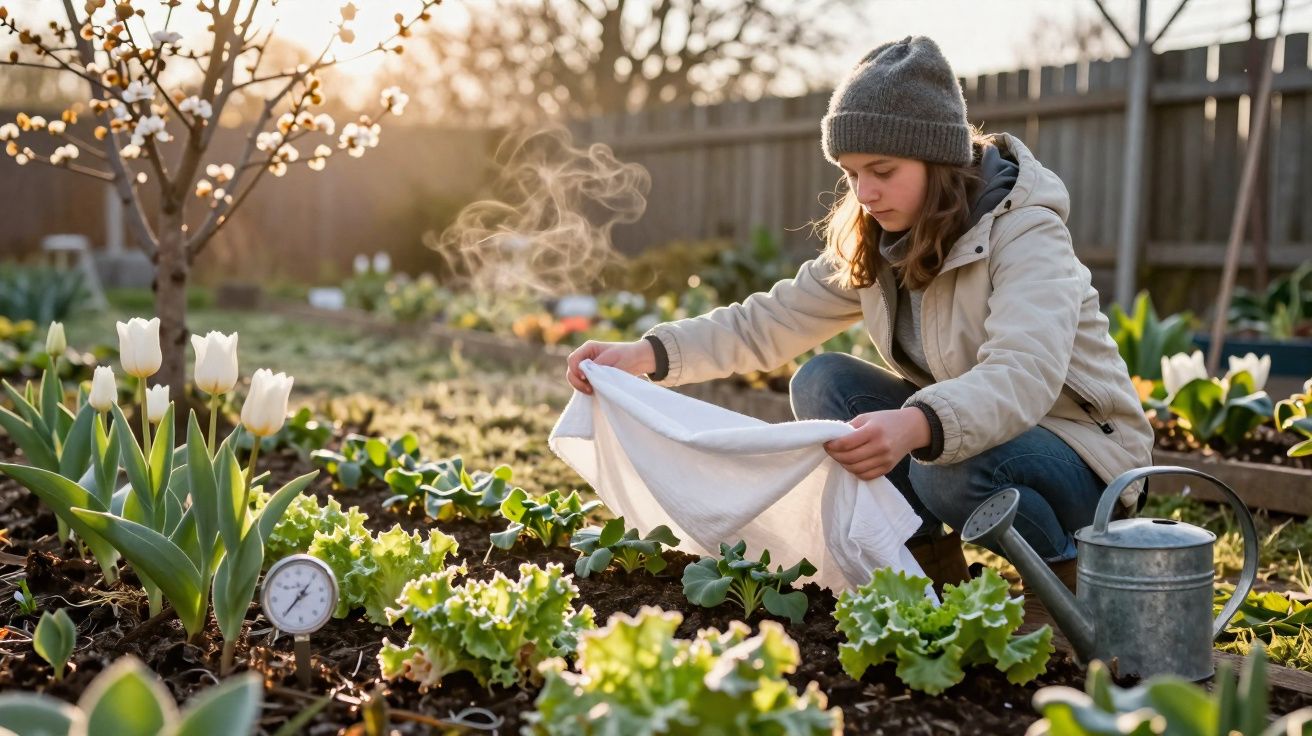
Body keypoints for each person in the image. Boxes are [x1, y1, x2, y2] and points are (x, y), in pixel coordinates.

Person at [564, 36, 1154, 597]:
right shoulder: (878, 241)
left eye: (882, 169)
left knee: (939, 467)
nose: (864, 192)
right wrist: (644, 356)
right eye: (850, 173)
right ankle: (931, 571)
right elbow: (767, 322)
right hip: (968, 438)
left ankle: (1074, 583)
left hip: (1087, 462)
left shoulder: (1025, 231)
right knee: (824, 384)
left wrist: (916, 425)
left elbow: (1024, 373)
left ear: (936, 157)